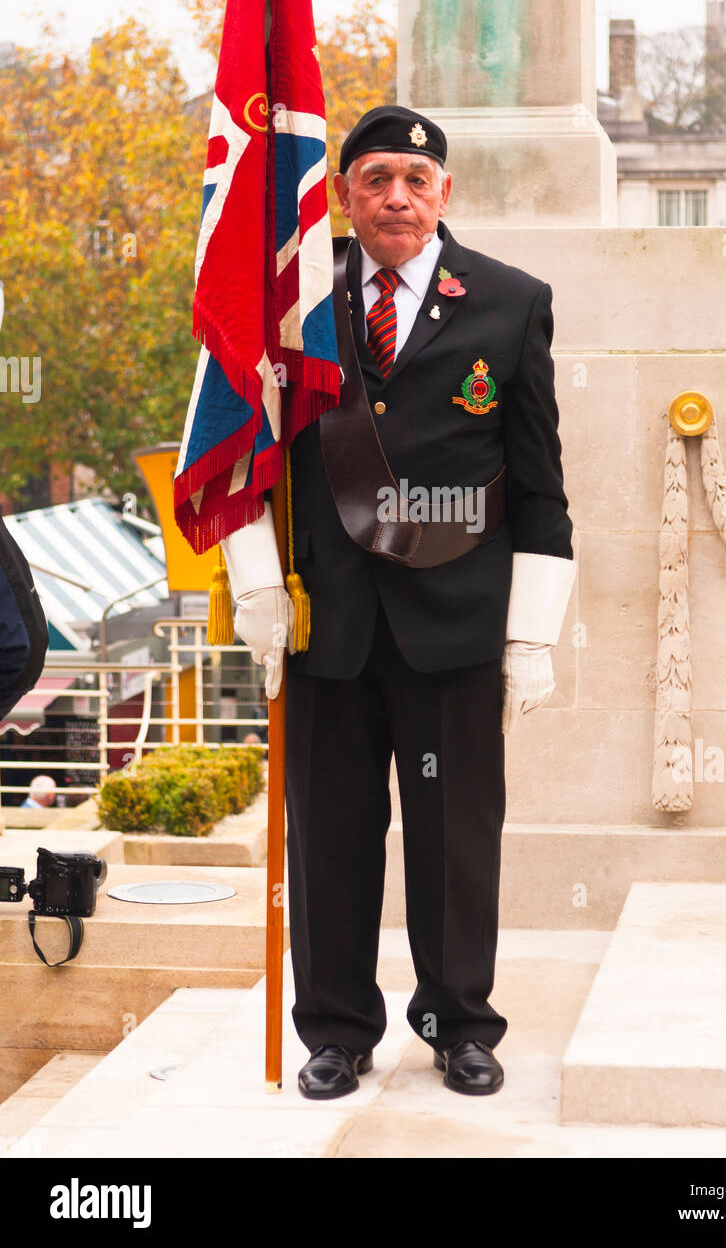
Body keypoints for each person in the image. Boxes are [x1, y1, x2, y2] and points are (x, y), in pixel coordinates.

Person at [221, 106, 575, 1099]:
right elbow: (243, 461)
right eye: (375, 179)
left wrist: (529, 635)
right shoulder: (292, 304)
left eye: (415, 182)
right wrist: (257, 585)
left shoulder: (508, 303)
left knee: (455, 839)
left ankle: (458, 1021)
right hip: (326, 625)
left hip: (454, 626)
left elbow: (539, 483)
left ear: (444, 195)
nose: (396, 198)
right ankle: (335, 1030)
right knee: (328, 840)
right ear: (342, 195)